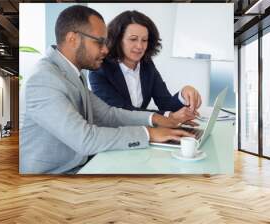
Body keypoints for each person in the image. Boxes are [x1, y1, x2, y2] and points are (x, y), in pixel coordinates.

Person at [19, 5, 192, 174]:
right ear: (73, 39)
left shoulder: (70, 74)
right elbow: (86, 139)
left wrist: (154, 119)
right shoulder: (43, 80)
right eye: (99, 42)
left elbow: (109, 114)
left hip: (80, 166)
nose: (105, 49)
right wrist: (148, 134)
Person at [89, 10, 202, 126]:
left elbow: (165, 103)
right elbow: (123, 112)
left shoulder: (147, 65)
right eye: (133, 39)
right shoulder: (100, 70)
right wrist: (169, 117)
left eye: (144, 40)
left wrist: (183, 94)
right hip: (114, 134)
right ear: (118, 40)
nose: (140, 46)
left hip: (142, 131)